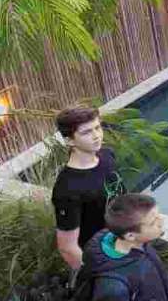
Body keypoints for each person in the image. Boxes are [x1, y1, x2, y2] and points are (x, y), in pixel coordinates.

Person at [78, 193, 168, 301]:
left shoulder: (138, 242)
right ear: (130, 236)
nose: (161, 221)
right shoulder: (113, 289)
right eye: (153, 222)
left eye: (158, 215)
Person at [52, 106, 122, 271]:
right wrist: (96, 274)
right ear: (69, 140)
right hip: (103, 258)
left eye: (97, 128)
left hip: (127, 243)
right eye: (86, 132)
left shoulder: (107, 155)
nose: (96, 135)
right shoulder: (67, 189)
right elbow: (67, 248)